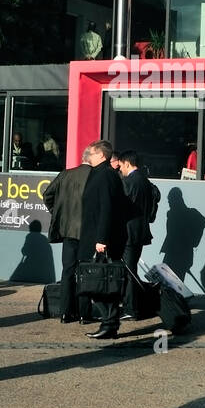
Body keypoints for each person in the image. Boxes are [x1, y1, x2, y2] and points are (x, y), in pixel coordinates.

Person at [79, 140, 130, 340]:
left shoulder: (105, 176)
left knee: (101, 283)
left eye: (91, 152)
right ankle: (109, 323)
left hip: (100, 241)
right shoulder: (100, 173)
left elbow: (106, 210)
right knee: (97, 282)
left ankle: (109, 324)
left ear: (101, 155)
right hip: (94, 237)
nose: (88, 155)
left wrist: (101, 239)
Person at [44, 147, 94, 324]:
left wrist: (57, 213)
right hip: (88, 232)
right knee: (86, 272)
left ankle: (65, 312)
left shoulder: (65, 174)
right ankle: (83, 313)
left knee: (67, 271)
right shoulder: (95, 176)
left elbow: (47, 194)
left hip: (67, 231)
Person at [118, 150, 159, 320]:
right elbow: (156, 196)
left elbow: (121, 208)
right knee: (131, 268)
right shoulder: (145, 181)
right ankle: (132, 305)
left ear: (127, 163)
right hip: (140, 231)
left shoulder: (129, 182)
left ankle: (130, 308)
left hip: (128, 233)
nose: (120, 170)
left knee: (129, 270)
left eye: (121, 166)